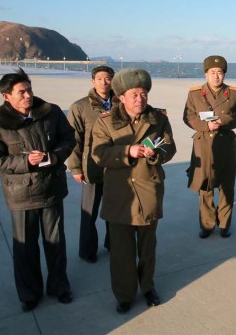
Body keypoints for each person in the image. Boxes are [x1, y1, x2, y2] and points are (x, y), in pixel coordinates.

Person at [0, 68, 74, 312]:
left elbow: (69, 137)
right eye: (21, 92)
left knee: (55, 242)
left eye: (29, 90)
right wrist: (25, 162)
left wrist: (55, 156)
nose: (28, 96)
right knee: (25, 247)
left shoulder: (51, 112)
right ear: (6, 97)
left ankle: (59, 287)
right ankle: (29, 293)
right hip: (20, 195)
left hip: (52, 189)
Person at [91, 68, 176, 313]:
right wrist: (127, 151)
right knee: (121, 252)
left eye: (144, 94)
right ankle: (124, 294)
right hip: (120, 196)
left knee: (148, 248)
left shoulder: (158, 119)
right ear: (121, 97)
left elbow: (169, 148)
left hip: (149, 190)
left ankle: (147, 286)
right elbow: (99, 155)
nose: (140, 99)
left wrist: (155, 154)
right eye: (134, 94)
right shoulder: (106, 121)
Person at [184, 55, 236, 238]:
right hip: (203, 144)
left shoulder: (234, 93)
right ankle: (207, 224)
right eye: (212, 73)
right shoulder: (195, 93)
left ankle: (225, 223)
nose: (216, 76)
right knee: (205, 187)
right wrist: (205, 125)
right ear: (205, 74)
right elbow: (188, 116)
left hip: (225, 143)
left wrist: (224, 121)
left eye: (220, 72)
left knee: (227, 186)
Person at [67, 65, 116, 263]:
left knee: (115, 210)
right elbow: (73, 140)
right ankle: (87, 250)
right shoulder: (80, 106)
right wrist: (76, 168)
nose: (104, 82)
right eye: (100, 79)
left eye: (108, 78)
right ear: (93, 81)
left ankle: (113, 244)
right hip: (91, 167)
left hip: (116, 166)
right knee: (89, 213)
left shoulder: (121, 102)